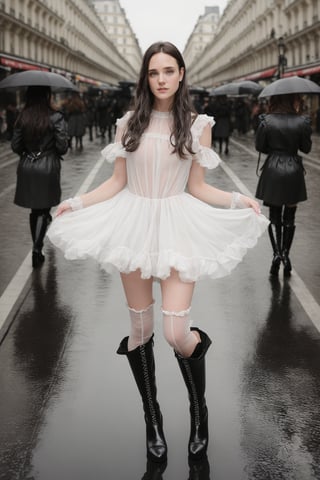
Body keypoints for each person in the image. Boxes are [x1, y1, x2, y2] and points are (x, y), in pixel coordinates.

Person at [47, 41, 268, 462]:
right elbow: (115, 182)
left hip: (178, 225)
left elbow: (198, 186)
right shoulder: (128, 122)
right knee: (141, 331)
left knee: (174, 333)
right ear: (145, 78)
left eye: (169, 71)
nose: (162, 79)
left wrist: (240, 200)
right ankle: (153, 419)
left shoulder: (198, 124)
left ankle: (198, 411)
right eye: (154, 72)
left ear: (181, 74)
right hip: (134, 226)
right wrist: (76, 202)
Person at [255, 93, 312, 276]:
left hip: (273, 169)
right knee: (290, 216)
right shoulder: (302, 121)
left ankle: (276, 254)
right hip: (293, 170)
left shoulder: (266, 120)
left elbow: (260, 146)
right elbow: (306, 148)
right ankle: (286, 255)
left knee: (274, 215)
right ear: (292, 100)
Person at [11, 85, 68, 268]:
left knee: (35, 210)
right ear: (46, 96)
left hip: (28, 166)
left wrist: (28, 153)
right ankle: (37, 248)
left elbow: (15, 146)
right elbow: (62, 147)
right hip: (48, 166)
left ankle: (36, 246)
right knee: (44, 209)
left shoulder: (23, 117)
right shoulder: (56, 117)